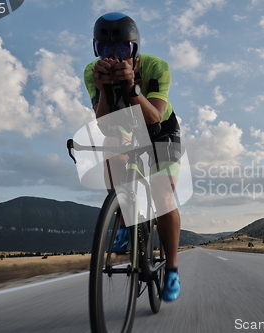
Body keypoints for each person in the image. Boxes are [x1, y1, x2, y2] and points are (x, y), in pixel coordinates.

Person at [83, 12, 181, 302]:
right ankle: (125, 218)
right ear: (96, 50)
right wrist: (103, 89)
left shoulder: (156, 67)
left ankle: (172, 270)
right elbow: (103, 124)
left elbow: (154, 118)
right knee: (111, 146)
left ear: (135, 50)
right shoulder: (93, 71)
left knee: (163, 196)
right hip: (125, 129)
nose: (114, 57)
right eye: (106, 50)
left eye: (122, 50)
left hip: (161, 130)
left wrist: (132, 89)